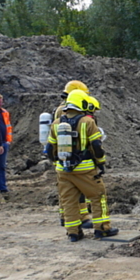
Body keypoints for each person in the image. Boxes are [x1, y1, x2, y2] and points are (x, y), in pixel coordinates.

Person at [45, 89, 119, 242]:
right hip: (85, 169)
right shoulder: (87, 122)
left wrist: (56, 163)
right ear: (82, 103)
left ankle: (73, 233)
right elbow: (96, 146)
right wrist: (101, 162)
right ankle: (102, 229)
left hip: (63, 170)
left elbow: (49, 149)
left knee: (69, 201)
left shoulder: (56, 123)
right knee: (99, 197)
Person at [53, 80, 93, 229]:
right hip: (72, 154)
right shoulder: (66, 111)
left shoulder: (60, 109)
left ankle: (66, 216)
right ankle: (82, 217)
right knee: (77, 188)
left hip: (61, 153)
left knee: (65, 189)